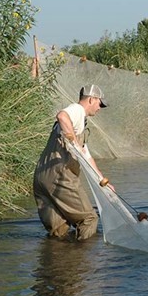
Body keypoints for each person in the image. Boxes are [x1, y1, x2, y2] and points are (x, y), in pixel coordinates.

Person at [33, 84, 111, 241]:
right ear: (91, 99)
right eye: (99, 103)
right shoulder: (77, 110)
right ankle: (83, 264)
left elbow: (86, 156)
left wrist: (102, 180)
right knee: (89, 220)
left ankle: (61, 264)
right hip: (60, 177)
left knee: (59, 231)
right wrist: (74, 142)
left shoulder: (79, 123)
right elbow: (62, 116)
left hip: (41, 178)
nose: (100, 108)